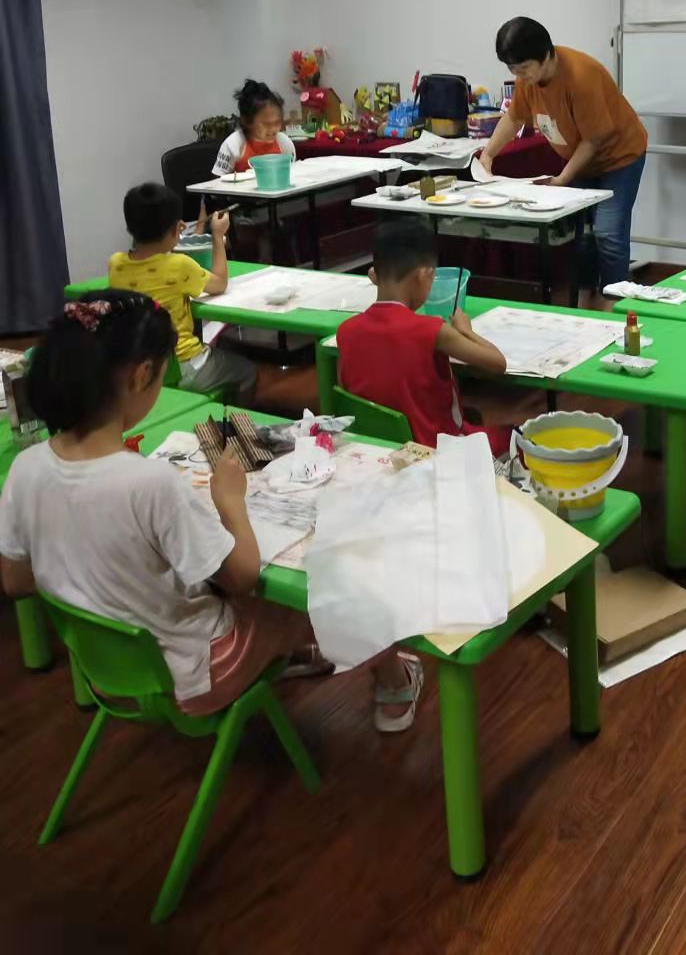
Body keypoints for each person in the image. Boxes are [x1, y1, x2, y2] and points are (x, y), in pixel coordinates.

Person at [0, 292, 422, 730]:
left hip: (107, 672)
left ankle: (286, 655)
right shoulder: (150, 484)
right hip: (197, 672)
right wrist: (230, 502)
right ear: (142, 375)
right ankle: (394, 681)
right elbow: (241, 578)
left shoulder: (26, 467)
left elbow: (16, 581)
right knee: (334, 579)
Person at [480, 17, 648, 290]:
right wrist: (488, 154)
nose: (519, 76)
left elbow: (593, 140)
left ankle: (616, 298)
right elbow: (514, 117)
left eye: (524, 68)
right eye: (513, 69)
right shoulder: (527, 79)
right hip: (581, 159)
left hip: (619, 157)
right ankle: (586, 298)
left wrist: (562, 178)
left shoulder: (581, 77)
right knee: (581, 234)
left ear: (547, 55)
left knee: (607, 232)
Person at [337, 218, 511, 455]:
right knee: (511, 435)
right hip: (435, 452)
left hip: (376, 450)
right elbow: (498, 363)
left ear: (373, 275)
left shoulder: (346, 331)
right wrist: (466, 331)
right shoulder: (433, 330)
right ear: (424, 275)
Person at [108, 182, 258, 404]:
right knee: (248, 371)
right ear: (175, 229)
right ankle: (233, 421)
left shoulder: (116, 264)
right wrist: (217, 236)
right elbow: (220, 283)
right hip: (183, 365)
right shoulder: (179, 266)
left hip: (140, 367)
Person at [213, 78, 296, 176]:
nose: (273, 129)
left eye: (277, 122)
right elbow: (217, 180)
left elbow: (291, 174)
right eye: (266, 124)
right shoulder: (233, 144)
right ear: (247, 122)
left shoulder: (284, 143)